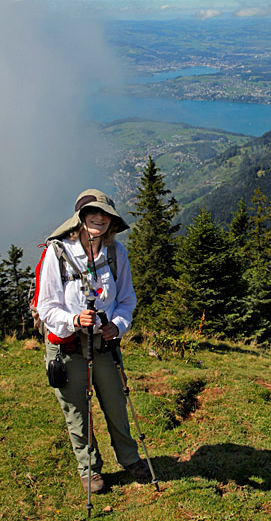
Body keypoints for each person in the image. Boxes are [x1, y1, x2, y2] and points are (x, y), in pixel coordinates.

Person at [38, 189, 150, 493]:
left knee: (116, 403)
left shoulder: (116, 254)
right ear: (80, 218)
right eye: (92, 213)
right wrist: (74, 320)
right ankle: (89, 469)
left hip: (104, 344)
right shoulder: (58, 253)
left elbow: (126, 299)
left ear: (111, 221)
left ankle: (129, 458)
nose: (98, 218)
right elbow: (46, 306)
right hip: (68, 346)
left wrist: (118, 325)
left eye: (104, 214)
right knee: (77, 410)